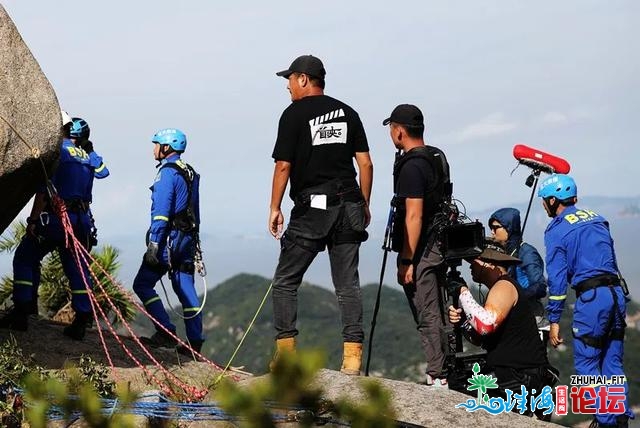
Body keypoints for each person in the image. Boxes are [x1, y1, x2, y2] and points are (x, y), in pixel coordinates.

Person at [269, 54, 373, 375]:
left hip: (313, 208)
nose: (287, 86)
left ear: (303, 79)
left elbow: (283, 165)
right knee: (347, 284)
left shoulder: (293, 114)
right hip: (350, 204)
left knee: (285, 281)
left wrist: (275, 207)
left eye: (290, 79)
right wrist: (364, 205)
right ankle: (352, 358)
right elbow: (365, 164)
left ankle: (286, 357)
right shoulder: (349, 113)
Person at [538, 174, 634, 427]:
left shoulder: (557, 230)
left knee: (587, 365)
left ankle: (605, 422)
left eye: (544, 202)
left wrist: (554, 319)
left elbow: (557, 282)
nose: (544, 207)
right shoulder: (598, 219)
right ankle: (619, 418)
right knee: (612, 362)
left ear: (552, 200)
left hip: (592, 301)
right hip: (615, 295)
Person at [0, 110, 96, 340]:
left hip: (56, 218)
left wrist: (33, 220)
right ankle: (83, 317)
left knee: (24, 257)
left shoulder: (57, 153)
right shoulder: (85, 154)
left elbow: (44, 192)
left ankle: (22, 310)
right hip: (80, 218)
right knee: (76, 267)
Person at [383, 104, 450, 386]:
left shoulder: (412, 166)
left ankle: (438, 375)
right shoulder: (437, 157)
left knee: (427, 310)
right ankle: (447, 369)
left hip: (422, 247)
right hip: (441, 241)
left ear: (399, 131)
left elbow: (413, 214)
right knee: (441, 309)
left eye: (391, 128)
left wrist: (407, 259)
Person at [448, 242, 555, 418]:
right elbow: (481, 337)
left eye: (473, 261)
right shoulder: (500, 289)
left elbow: (485, 325)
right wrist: (463, 323)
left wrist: (463, 292)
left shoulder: (504, 286)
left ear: (489, 263)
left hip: (520, 378)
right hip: (517, 377)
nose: (470, 267)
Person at [132, 128, 204, 356]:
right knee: (185, 287)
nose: (154, 149)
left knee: (142, 284)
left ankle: (165, 330)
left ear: (166, 147)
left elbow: (161, 213)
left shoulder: (166, 174)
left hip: (169, 241)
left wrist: (154, 243)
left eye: (157, 144)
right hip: (187, 239)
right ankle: (195, 342)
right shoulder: (190, 172)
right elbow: (194, 210)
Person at [488, 208, 549, 343]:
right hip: (516, 321)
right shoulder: (505, 254)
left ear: (509, 228)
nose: (492, 232)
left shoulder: (527, 252)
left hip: (533, 320)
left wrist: (515, 297)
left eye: (495, 228)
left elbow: (539, 287)